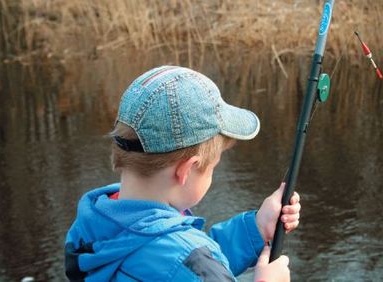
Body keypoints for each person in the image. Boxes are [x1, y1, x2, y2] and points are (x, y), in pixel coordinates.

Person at [64, 65, 301, 282]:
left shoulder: (94, 226)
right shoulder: (184, 259)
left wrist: (256, 229)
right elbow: (187, 264)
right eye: (213, 166)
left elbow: (180, 264)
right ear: (186, 170)